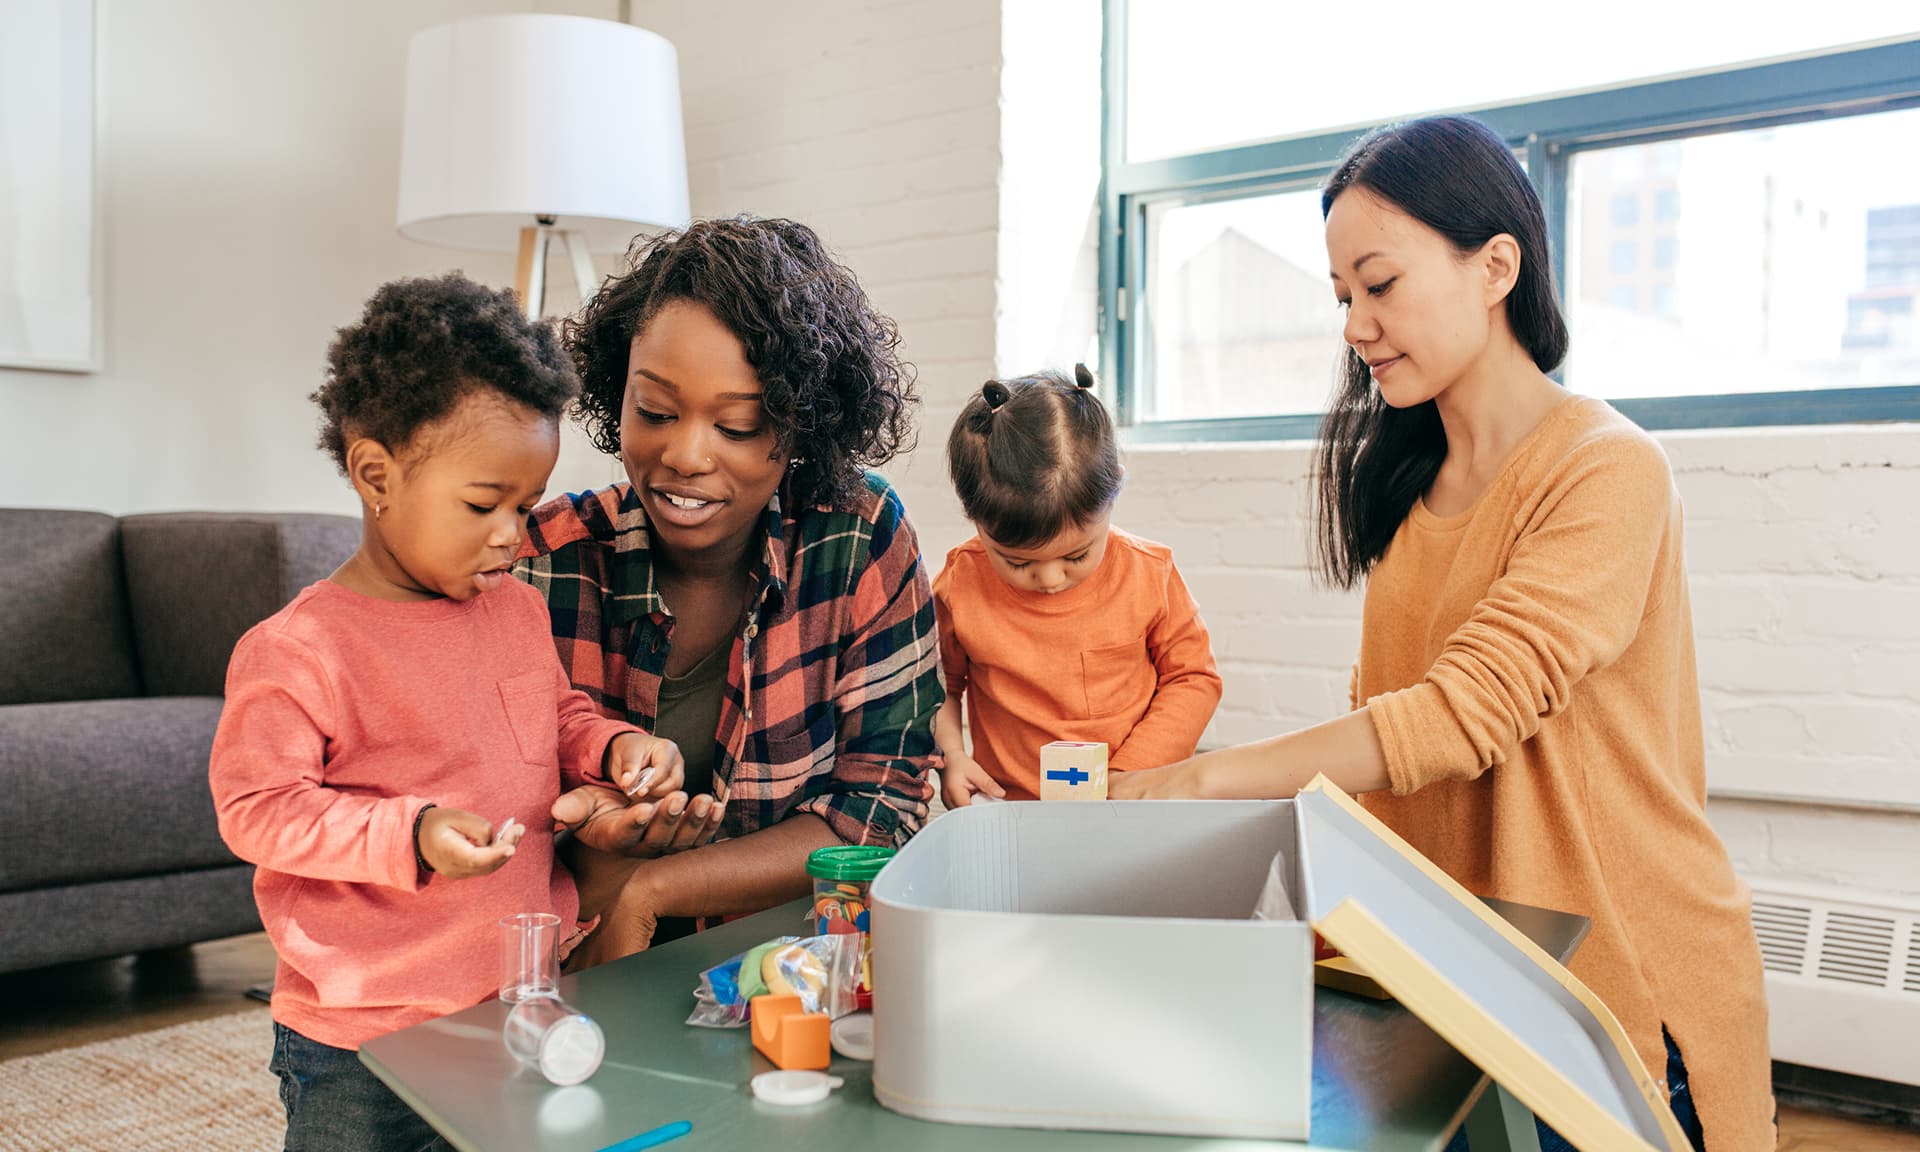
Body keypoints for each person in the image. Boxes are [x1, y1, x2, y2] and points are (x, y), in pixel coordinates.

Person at [1111, 116, 1774, 1151]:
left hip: (1612, 985)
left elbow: (1459, 718)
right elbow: (1391, 754)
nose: (1354, 325)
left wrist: (1194, 780)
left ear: (1496, 265)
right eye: (1342, 297)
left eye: (1379, 284)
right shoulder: (1416, 496)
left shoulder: (1606, 467)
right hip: (1467, 984)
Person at [209, 274, 686, 1151]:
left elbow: (558, 717)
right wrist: (413, 832)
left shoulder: (513, 609)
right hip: (362, 1035)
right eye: (482, 505)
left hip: (516, 995)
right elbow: (256, 810)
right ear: (376, 475)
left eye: (525, 505)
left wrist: (613, 748)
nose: (512, 533)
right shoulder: (298, 649)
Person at [517, 216, 943, 963]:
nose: (684, 455)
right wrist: (597, 856)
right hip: (578, 972)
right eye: (654, 411)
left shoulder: (858, 540)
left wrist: (657, 888)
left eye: (739, 426)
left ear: (804, 429)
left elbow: (881, 811)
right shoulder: (542, 563)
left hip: (792, 974)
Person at [931, 365, 1221, 805]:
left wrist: (1133, 774)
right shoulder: (960, 583)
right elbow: (939, 687)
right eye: (1016, 561)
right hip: (1009, 809)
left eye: (1076, 556)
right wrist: (953, 755)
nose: (1049, 579)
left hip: (1131, 800)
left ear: (1114, 491)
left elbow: (1194, 678)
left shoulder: (1149, 572)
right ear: (976, 518)